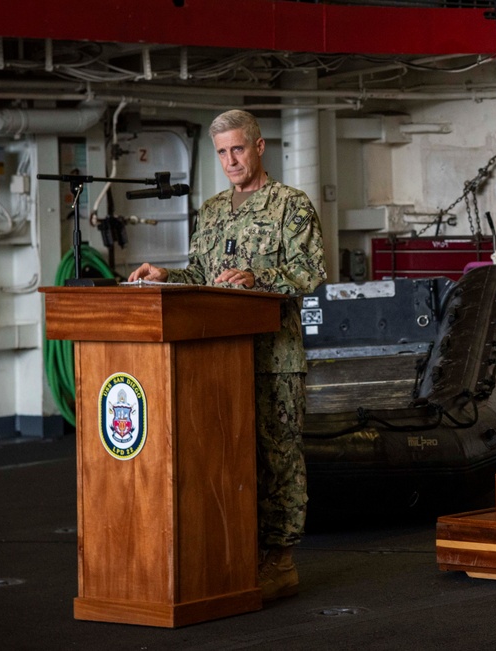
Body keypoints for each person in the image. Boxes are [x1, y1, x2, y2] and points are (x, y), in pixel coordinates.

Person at [129, 109, 326, 601]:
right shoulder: (213, 210)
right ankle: (236, 552)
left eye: (238, 149)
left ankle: (279, 559)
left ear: (259, 147)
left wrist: (258, 280)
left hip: (273, 357)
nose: (230, 160)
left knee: (277, 457)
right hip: (217, 361)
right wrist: (166, 278)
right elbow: (200, 273)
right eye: (221, 152)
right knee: (227, 458)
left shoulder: (291, 205)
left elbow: (311, 273)